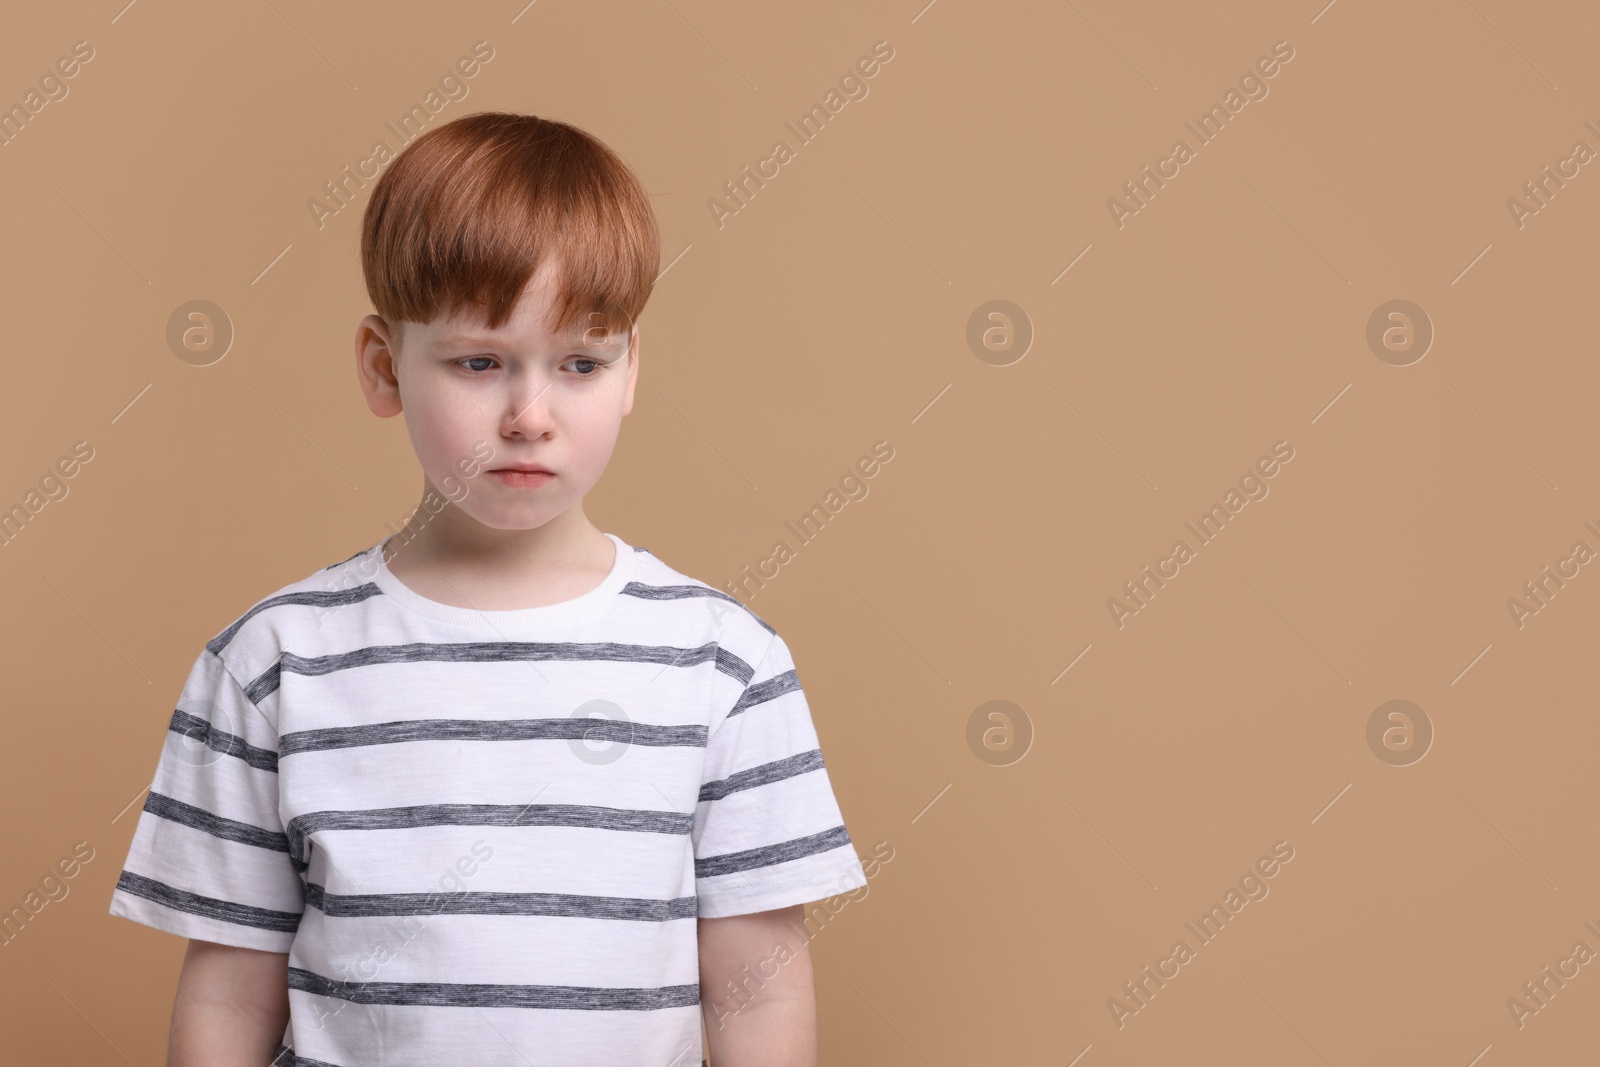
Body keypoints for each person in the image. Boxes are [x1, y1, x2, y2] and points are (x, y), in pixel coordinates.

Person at [107, 110, 869, 1066]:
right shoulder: (271, 664)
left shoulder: (727, 664)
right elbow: (227, 996)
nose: (530, 416)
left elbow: (757, 993)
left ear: (632, 370)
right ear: (385, 367)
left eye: (581, 364)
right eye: (480, 362)